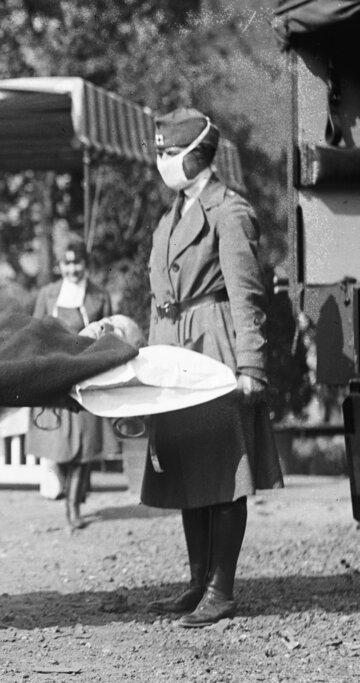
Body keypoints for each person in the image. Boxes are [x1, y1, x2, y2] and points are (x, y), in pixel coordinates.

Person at [143, 108, 282, 628]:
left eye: (168, 152)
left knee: (224, 473)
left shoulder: (231, 211)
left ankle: (221, 591)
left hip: (215, 347)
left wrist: (252, 366)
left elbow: (247, 294)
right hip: (172, 349)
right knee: (187, 470)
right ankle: (198, 582)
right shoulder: (170, 216)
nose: (161, 162)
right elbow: (158, 295)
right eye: (157, 152)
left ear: (197, 154)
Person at [26, 238, 113, 530]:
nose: (73, 269)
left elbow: (109, 335)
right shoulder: (48, 294)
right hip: (53, 376)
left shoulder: (99, 295)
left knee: (85, 445)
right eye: (68, 263)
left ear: (86, 265)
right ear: (60, 266)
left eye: (78, 263)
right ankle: (67, 489)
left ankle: (73, 507)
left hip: (86, 374)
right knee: (58, 443)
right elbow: (33, 333)